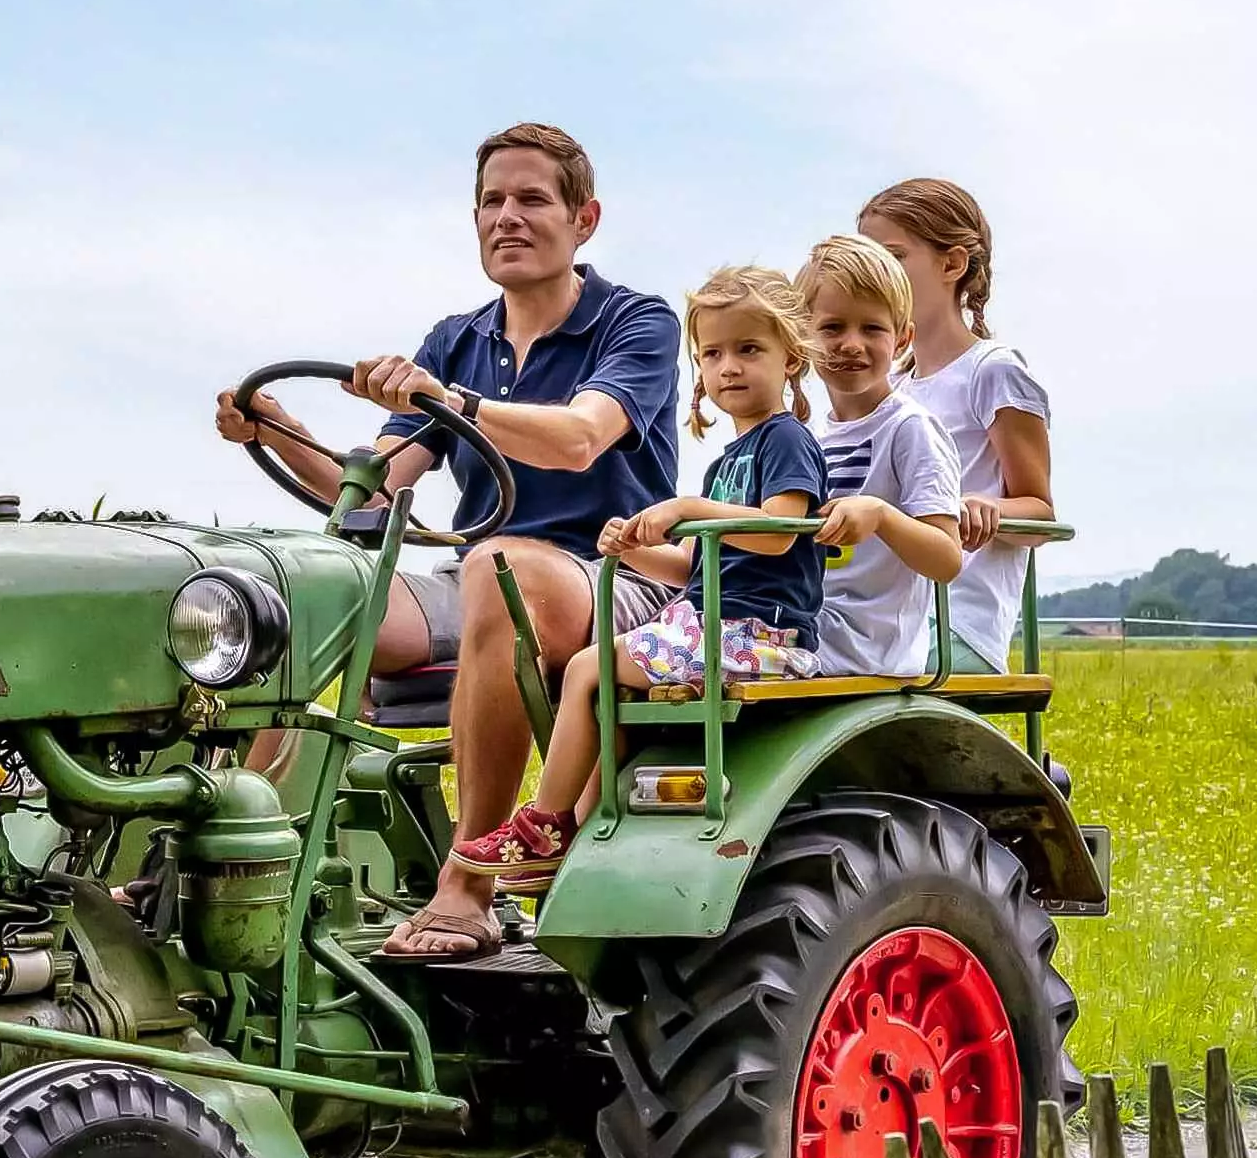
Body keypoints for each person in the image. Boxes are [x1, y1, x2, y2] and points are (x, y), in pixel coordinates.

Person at [214, 122, 680, 959]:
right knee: (289, 588)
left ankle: (468, 889)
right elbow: (376, 490)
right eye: (492, 202)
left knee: (499, 568)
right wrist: (280, 433)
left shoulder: (636, 322)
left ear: (585, 219)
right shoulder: (458, 338)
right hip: (480, 584)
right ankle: (213, 863)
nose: (509, 216)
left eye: (533, 199)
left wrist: (453, 401)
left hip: (621, 582)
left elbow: (579, 439)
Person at [449, 266, 827, 888]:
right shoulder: (731, 459)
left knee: (586, 669)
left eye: (749, 349)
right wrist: (630, 552)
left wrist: (686, 510)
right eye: (713, 353)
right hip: (710, 617)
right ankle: (590, 827)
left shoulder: (785, 440)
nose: (729, 366)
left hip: (759, 632)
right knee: (604, 680)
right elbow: (694, 566)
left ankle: (546, 823)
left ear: (791, 359)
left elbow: (779, 531)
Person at [856, 179, 1053, 673]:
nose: (875, 277)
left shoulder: (993, 371)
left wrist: (986, 506)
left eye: (893, 258)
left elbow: (1040, 514)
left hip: (953, 622)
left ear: (952, 264)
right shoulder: (892, 387)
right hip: (883, 614)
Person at [799, 234, 965, 675]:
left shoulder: (909, 429)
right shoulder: (807, 437)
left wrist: (881, 515)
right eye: (832, 328)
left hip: (865, 644)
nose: (852, 344)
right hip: (807, 624)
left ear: (902, 338)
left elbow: (947, 558)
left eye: (872, 328)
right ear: (801, 334)